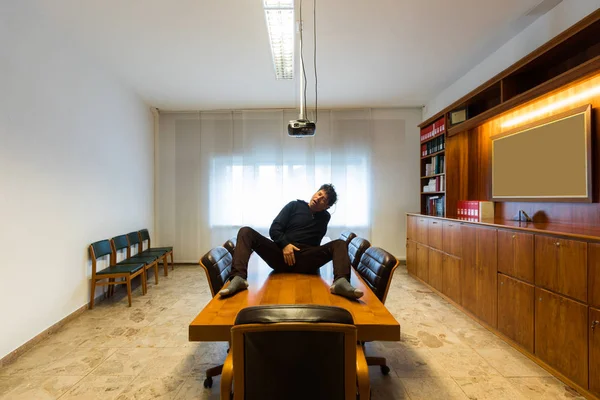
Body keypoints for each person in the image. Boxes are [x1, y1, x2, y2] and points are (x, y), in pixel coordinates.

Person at [219, 184, 363, 300]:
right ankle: (238, 278)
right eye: (319, 193)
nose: (319, 198)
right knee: (245, 231)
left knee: (340, 243)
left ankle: (341, 282)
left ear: (327, 207)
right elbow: (274, 229)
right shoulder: (294, 206)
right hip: (280, 256)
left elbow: (316, 241)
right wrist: (285, 244)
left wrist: (311, 254)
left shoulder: (325, 217)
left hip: (305, 260)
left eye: (324, 199)